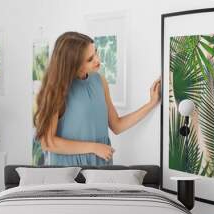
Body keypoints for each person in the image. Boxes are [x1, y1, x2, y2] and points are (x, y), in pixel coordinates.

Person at [33, 31, 161, 166]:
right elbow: (48, 143)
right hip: (69, 170)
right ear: (72, 63)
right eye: (90, 59)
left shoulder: (100, 81)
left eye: (96, 52)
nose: (98, 60)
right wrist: (94, 147)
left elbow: (117, 125)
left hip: (100, 165)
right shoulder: (57, 90)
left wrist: (151, 103)